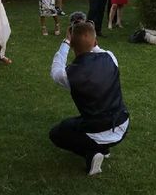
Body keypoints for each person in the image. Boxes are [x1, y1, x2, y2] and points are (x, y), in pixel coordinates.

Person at [49, 18, 130, 176]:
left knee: (56, 133)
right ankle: (103, 148)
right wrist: (88, 32)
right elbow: (96, 47)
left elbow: (56, 67)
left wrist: (67, 40)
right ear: (95, 41)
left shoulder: (67, 75)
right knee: (72, 122)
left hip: (98, 129)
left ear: (72, 45)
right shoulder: (111, 57)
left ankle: (92, 154)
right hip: (123, 124)